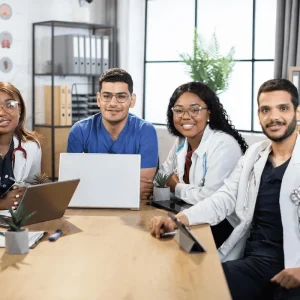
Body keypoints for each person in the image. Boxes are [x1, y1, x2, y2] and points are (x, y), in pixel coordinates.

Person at [149, 78, 300, 300]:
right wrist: (179, 219)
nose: (273, 117)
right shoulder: (254, 155)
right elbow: (224, 197)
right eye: (265, 110)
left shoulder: (224, 144)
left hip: (293, 265)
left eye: (283, 108)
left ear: (297, 112)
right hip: (255, 262)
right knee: (195, 285)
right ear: (258, 115)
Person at [155, 81, 248, 247]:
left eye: (195, 110)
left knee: (174, 248)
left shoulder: (224, 145)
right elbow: (161, 177)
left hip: (222, 223)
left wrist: (176, 187)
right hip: (189, 211)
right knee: (157, 238)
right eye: (179, 110)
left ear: (209, 114)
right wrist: (171, 184)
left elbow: (211, 199)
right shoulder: (181, 141)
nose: (185, 116)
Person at [67, 68, 158, 200]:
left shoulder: (146, 131)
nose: (113, 103)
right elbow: (72, 187)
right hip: (89, 207)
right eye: (106, 96)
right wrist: (129, 187)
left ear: (132, 100)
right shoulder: (79, 131)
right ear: (98, 99)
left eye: (121, 96)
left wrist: (92, 183)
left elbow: (142, 189)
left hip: (134, 209)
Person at [0, 82, 41, 210]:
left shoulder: (31, 146)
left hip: (16, 221)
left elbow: (33, 184)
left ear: (20, 110)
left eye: (10, 105)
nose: (2, 112)